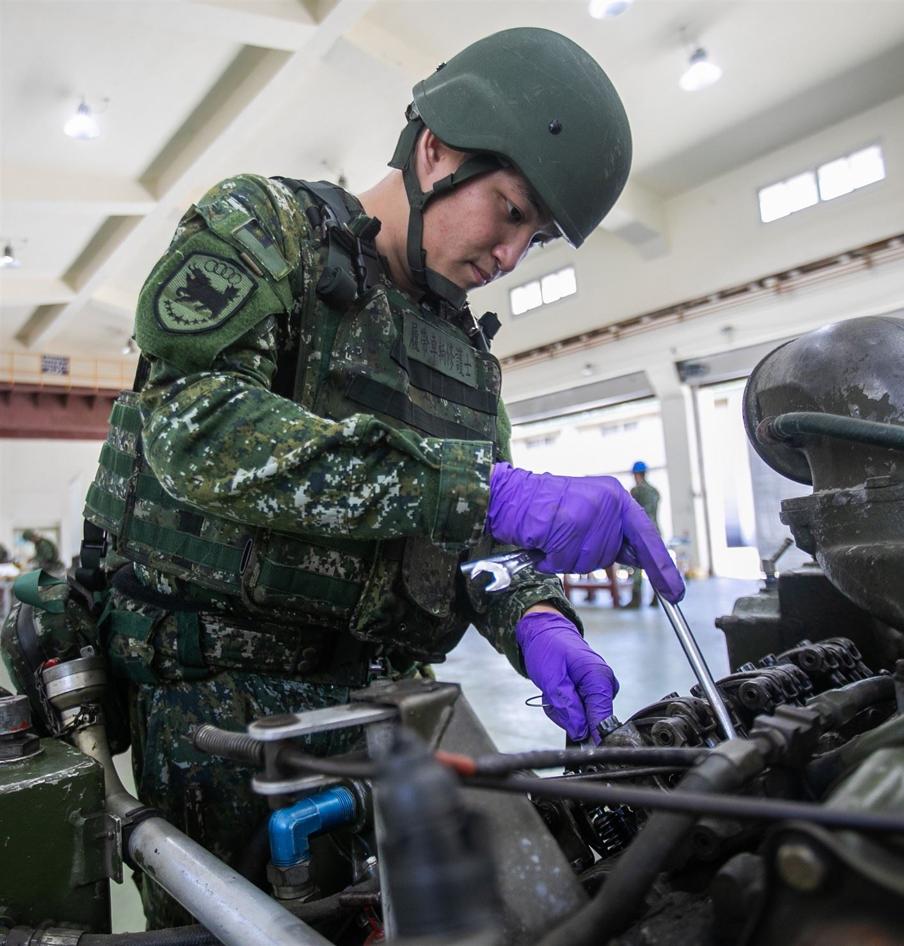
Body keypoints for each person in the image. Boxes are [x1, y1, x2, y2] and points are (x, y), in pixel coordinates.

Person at [76, 27, 684, 926]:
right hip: (226, 714)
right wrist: (492, 491)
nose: (513, 256)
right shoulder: (267, 230)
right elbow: (196, 428)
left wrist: (542, 620)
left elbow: (479, 540)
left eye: (539, 238)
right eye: (512, 212)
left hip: (395, 709)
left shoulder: (469, 361)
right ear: (436, 149)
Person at [626, 461, 661, 607]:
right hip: (655, 532)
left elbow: (631, 512)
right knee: (655, 566)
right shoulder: (655, 491)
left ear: (636, 474)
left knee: (637, 567)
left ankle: (636, 599)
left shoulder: (636, 491)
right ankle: (657, 598)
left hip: (641, 532)